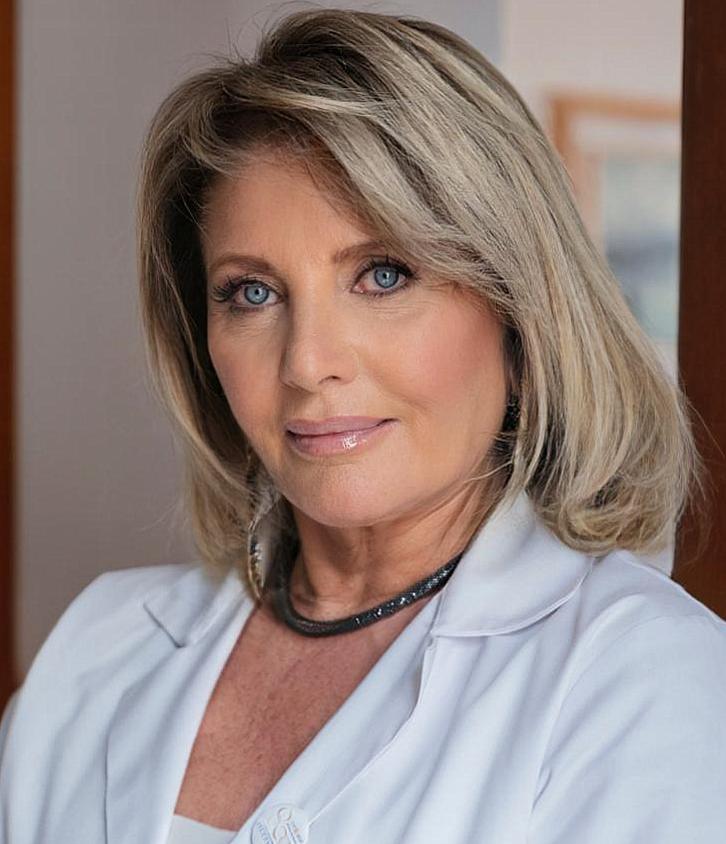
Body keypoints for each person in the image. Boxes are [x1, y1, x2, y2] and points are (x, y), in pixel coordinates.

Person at [1, 8, 725, 843]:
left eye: (383, 275)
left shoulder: (647, 679)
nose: (307, 363)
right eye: (252, 293)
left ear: (522, 316)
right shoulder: (98, 646)